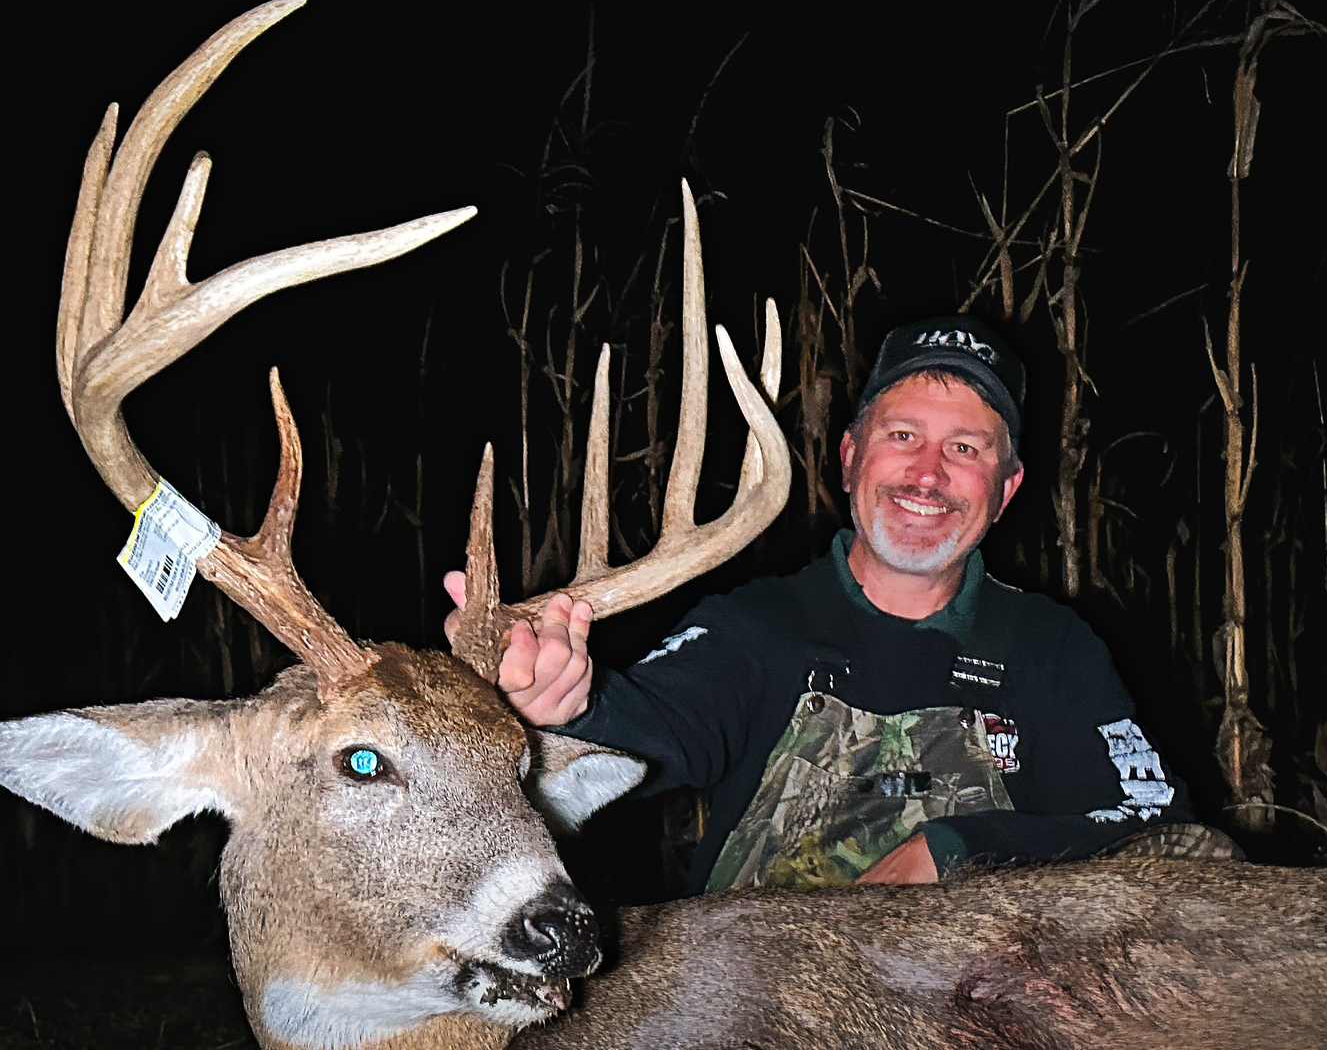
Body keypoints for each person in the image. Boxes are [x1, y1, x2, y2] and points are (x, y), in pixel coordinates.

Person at [446, 315, 1193, 892]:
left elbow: (1158, 823)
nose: (927, 474)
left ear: (1006, 491)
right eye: (903, 435)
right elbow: (650, 729)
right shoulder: (757, 627)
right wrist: (565, 701)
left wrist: (957, 850)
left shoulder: (1050, 647)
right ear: (849, 458)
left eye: (967, 449)